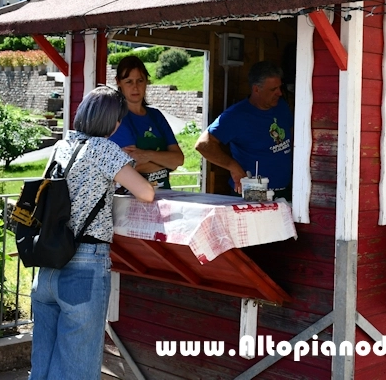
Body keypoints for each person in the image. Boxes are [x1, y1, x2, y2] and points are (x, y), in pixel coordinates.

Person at [30, 87, 154, 380]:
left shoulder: (62, 145)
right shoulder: (104, 149)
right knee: (76, 368)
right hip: (84, 267)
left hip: (48, 265)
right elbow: (146, 192)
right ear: (114, 122)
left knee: (43, 363)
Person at [196, 61, 293, 198]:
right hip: (253, 191)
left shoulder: (282, 107)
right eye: (273, 89)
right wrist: (233, 166)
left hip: (285, 191)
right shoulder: (236, 115)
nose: (279, 93)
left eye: (279, 87)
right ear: (256, 89)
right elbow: (203, 145)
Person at [110, 55, 184, 189]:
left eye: (140, 80)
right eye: (129, 81)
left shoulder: (156, 116)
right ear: (118, 82)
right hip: (130, 196)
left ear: (146, 81)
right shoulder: (117, 119)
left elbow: (178, 159)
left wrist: (147, 155)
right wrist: (166, 163)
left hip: (165, 195)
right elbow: (131, 166)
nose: (135, 87)